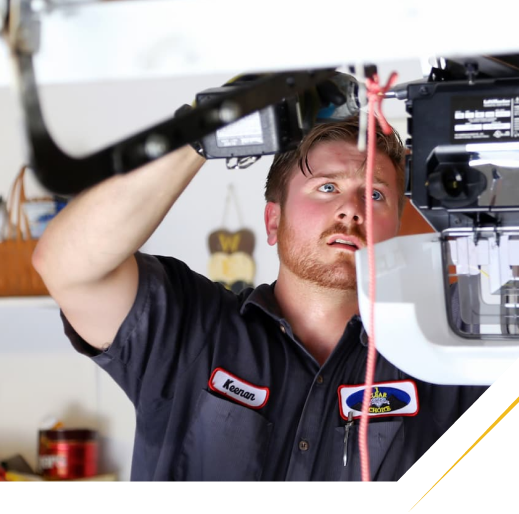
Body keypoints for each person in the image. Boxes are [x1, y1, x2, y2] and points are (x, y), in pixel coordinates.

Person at [32, 114, 488, 482]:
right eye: (326, 187)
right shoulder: (192, 329)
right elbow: (65, 266)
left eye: (374, 194)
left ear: (394, 229)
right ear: (273, 221)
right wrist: (201, 131)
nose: (351, 208)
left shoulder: (443, 355)